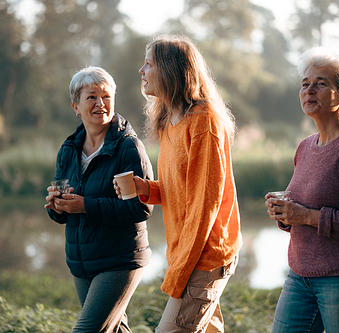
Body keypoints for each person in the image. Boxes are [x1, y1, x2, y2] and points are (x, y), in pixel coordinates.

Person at [115, 35, 242, 333]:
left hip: (204, 256)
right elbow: (180, 190)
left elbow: (204, 205)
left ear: (171, 71)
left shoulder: (204, 122)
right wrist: (146, 188)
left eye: (148, 64)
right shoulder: (170, 120)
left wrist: (179, 272)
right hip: (186, 253)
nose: (141, 71)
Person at [265, 47, 339, 333]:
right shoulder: (305, 147)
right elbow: (301, 209)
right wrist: (284, 214)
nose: (309, 90)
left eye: (320, 83)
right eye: (305, 83)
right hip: (300, 276)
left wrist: (307, 216)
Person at [45, 66, 153, 333]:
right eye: (91, 97)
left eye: (106, 97)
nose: (100, 104)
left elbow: (140, 207)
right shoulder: (68, 150)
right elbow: (64, 210)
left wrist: (85, 205)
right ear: (76, 106)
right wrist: (57, 206)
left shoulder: (128, 147)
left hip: (120, 259)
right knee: (114, 330)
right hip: (82, 261)